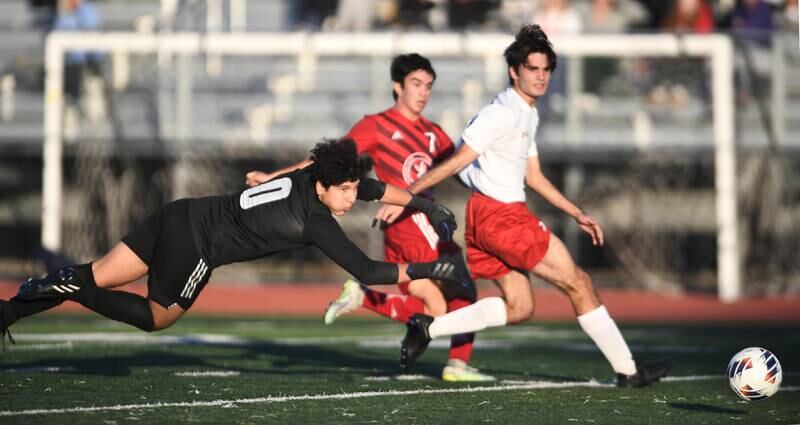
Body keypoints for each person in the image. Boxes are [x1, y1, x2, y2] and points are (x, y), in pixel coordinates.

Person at [383, 24, 671, 388]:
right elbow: (457, 161)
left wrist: (575, 211)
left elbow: (533, 176)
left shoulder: (527, 112)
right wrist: (406, 196)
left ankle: (428, 327)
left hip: (490, 218)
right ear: (513, 71)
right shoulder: (503, 112)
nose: (539, 76)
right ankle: (628, 370)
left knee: (521, 308)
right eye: (531, 69)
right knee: (579, 282)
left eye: (545, 69)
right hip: (502, 218)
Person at [0, 139, 467, 346]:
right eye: (344, 190)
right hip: (197, 245)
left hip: (182, 212)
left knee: (95, 273)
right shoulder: (316, 222)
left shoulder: (315, 177)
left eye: (351, 189)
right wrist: (428, 271)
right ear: (324, 186)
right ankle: (75, 289)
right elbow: (368, 272)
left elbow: (375, 188)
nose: (352, 196)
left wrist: (425, 206)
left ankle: (14, 309)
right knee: (157, 318)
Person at [245, 54, 494, 382]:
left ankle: (367, 298)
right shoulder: (376, 125)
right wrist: (276, 178)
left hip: (412, 226)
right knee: (461, 290)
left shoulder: (434, 134)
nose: (423, 93)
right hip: (411, 224)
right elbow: (326, 161)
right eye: (416, 84)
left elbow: (460, 169)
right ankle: (456, 364)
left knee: (435, 304)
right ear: (397, 86)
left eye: (429, 86)